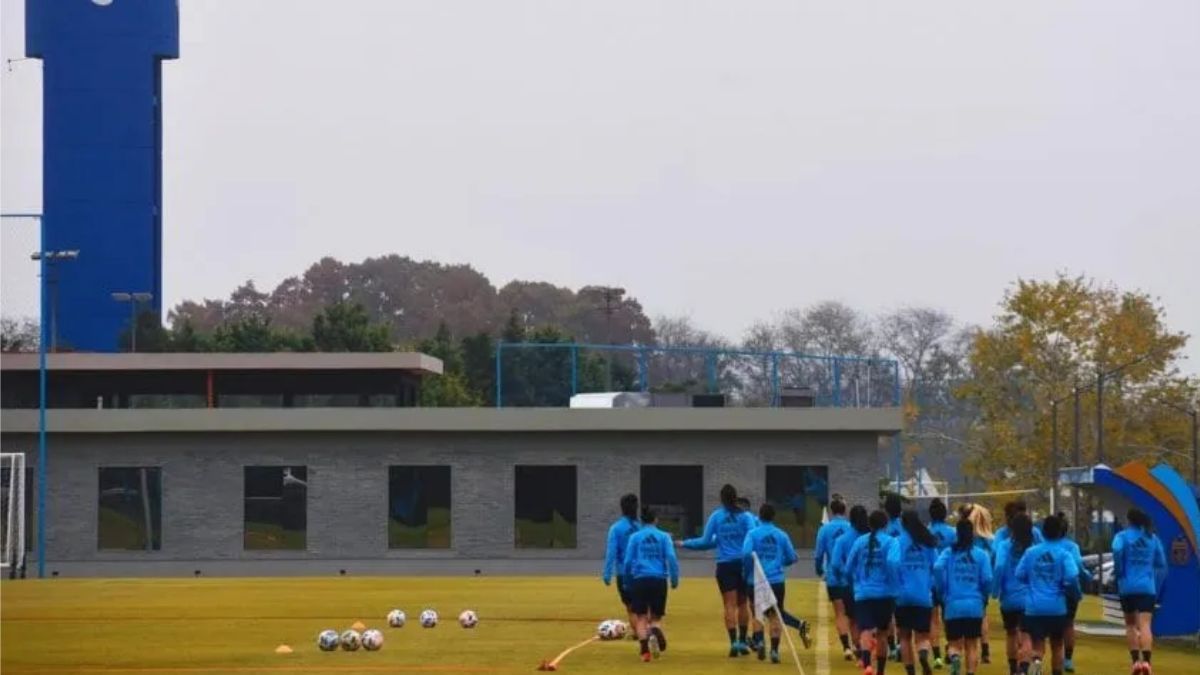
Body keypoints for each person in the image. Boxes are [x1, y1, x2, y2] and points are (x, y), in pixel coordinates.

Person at [679, 483, 758, 657]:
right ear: (736, 497)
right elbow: (754, 537)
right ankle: (743, 641)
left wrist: (684, 543)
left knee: (729, 605)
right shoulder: (746, 517)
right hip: (743, 564)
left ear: (721, 499)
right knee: (743, 603)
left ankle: (733, 643)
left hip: (725, 565)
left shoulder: (716, 516)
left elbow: (705, 542)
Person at [742, 503, 813, 663]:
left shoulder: (752, 534)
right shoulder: (781, 535)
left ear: (759, 516)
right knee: (775, 614)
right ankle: (774, 651)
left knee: (757, 613)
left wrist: (746, 572)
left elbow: (746, 554)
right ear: (773, 517)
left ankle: (760, 641)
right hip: (776, 580)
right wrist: (780, 563)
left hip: (756, 579)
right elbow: (793, 557)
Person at [1015, 515, 1080, 675]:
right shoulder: (1064, 554)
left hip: (1034, 607)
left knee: (1037, 643)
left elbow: (1019, 574)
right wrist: (1066, 587)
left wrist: (1031, 581)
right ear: (1060, 533)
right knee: (1057, 644)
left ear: (1043, 532)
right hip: (1057, 607)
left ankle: (1037, 661)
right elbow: (1072, 576)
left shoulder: (1031, 552)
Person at [1112, 508, 1167, 675]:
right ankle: (1147, 663)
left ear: (1128, 520)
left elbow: (1116, 550)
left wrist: (1120, 570)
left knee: (1130, 625)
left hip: (1127, 587)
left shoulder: (1121, 537)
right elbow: (1161, 562)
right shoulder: (1152, 538)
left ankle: (1135, 661)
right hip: (1147, 587)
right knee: (1145, 624)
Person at [934, 519, 992, 675]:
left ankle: (954, 657)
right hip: (974, 605)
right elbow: (987, 579)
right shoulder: (981, 555)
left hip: (953, 604)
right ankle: (970, 672)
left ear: (957, 534)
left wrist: (942, 590)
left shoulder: (949, 552)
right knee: (972, 645)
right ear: (972, 534)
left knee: (954, 643)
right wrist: (983, 595)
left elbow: (938, 567)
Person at [623, 506, 680, 663]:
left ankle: (644, 652)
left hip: (640, 579)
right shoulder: (663, 537)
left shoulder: (635, 537)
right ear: (656, 519)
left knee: (641, 617)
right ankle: (655, 630)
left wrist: (628, 581)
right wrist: (674, 578)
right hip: (658, 579)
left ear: (642, 520)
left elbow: (627, 561)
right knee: (655, 617)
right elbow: (671, 558)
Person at [846, 509, 898, 675]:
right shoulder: (891, 542)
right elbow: (893, 563)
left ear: (870, 524)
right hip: (885, 594)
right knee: (883, 633)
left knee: (865, 630)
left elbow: (848, 567)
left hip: (863, 593)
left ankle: (867, 664)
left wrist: (856, 581)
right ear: (886, 524)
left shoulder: (860, 541)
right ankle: (881, 671)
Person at [887, 510, 939, 675]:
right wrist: (930, 583)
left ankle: (910, 671)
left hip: (903, 595)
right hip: (923, 595)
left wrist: (896, 583)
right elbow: (936, 567)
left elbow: (892, 562)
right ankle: (923, 655)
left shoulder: (898, 542)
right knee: (922, 635)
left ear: (903, 524)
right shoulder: (928, 542)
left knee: (904, 636)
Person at [993, 512, 1035, 675]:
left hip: (1009, 598)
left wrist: (995, 591)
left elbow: (999, 566)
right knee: (1026, 636)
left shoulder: (1005, 545)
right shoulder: (1034, 547)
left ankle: (1012, 669)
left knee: (1011, 633)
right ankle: (1024, 667)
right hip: (1029, 598)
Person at [816, 497, 856, 661]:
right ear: (845, 510)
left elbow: (819, 553)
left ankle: (846, 646)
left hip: (833, 577)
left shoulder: (825, 529)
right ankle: (858, 646)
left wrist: (819, 570)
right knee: (853, 615)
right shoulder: (851, 528)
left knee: (840, 613)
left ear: (832, 511)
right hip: (851, 578)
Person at [831, 504, 872, 662]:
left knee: (854, 620)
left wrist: (843, 577)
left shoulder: (843, 540)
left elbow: (835, 564)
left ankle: (860, 648)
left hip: (852, 586)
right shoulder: (873, 538)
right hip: (873, 585)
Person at [1053, 514, 1092, 673]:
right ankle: (1067, 659)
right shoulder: (1071, 547)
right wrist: (1087, 576)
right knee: (1068, 625)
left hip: (1045, 595)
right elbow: (1077, 568)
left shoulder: (1039, 548)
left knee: (1039, 641)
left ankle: (1035, 668)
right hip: (1067, 593)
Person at [602, 493, 641, 634]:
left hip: (624, 572)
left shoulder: (616, 528)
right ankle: (647, 632)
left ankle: (638, 634)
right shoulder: (641, 527)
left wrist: (607, 574)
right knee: (643, 607)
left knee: (630, 607)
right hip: (643, 572)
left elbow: (611, 552)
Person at [964, 504, 996, 665]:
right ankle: (985, 649)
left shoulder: (969, 540)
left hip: (966, 581)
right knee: (982, 615)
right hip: (983, 582)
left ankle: (956, 647)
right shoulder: (991, 541)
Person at [927, 498, 956, 669]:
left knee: (933, 619)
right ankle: (950, 651)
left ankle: (936, 656)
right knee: (949, 619)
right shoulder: (952, 533)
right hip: (949, 582)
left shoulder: (926, 532)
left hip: (930, 582)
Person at [882, 494, 905, 661]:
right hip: (904, 574)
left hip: (887, 574)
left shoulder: (884, 528)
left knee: (889, 614)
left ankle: (891, 647)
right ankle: (900, 646)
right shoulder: (906, 527)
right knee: (900, 613)